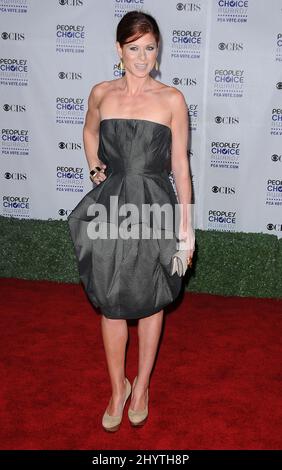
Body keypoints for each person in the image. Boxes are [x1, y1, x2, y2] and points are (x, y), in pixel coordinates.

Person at [67, 10, 195, 432]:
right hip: (112, 205)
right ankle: (116, 388)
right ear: (119, 49)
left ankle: (141, 386)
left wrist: (186, 230)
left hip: (156, 205)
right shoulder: (101, 92)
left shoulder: (172, 98)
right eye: (134, 48)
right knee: (110, 296)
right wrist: (93, 166)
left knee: (152, 296)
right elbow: (88, 131)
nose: (143, 57)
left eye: (150, 47)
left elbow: (180, 166)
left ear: (158, 50)